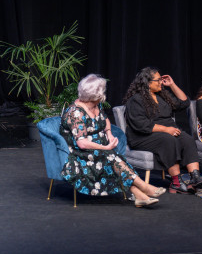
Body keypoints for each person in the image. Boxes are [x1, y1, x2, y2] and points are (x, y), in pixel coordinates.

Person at [60, 74, 166, 208]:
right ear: (96, 94)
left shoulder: (95, 105)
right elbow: (82, 143)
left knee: (112, 159)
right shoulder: (75, 113)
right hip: (81, 154)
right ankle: (143, 187)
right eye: (102, 91)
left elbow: (106, 121)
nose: (104, 93)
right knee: (112, 159)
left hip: (99, 151)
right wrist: (105, 147)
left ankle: (140, 196)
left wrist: (109, 134)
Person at [123, 67, 202, 194]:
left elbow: (184, 102)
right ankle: (176, 183)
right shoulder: (136, 100)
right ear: (147, 82)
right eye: (158, 80)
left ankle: (194, 177)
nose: (161, 82)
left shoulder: (162, 96)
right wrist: (166, 129)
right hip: (142, 136)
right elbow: (141, 124)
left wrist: (172, 85)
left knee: (187, 139)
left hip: (167, 131)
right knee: (168, 140)